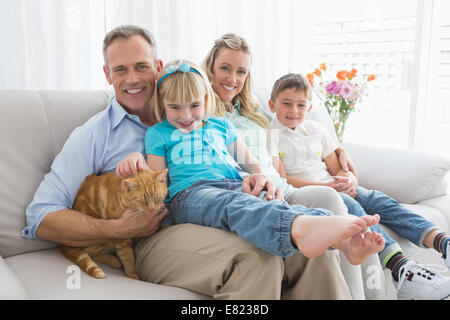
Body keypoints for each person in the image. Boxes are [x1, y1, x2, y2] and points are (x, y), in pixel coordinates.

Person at [23, 25, 352, 300]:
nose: (133, 78)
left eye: (141, 66)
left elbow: (227, 160)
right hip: (158, 232)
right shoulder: (95, 134)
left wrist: (254, 178)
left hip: (222, 202)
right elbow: (41, 217)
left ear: (159, 67)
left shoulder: (203, 116)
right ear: (107, 75)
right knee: (255, 259)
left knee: (313, 254)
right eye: (120, 69)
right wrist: (115, 228)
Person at [119, 58, 384, 265]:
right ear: (162, 105)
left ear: (206, 100)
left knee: (267, 200)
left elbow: (252, 167)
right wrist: (137, 160)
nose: (186, 116)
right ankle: (302, 229)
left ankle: (344, 243)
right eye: (175, 108)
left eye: (194, 106)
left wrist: (259, 178)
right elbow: (158, 183)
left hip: (234, 184)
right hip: (190, 194)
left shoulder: (220, 126)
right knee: (237, 204)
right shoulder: (158, 133)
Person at [201, 33, 385, 299]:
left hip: (284, 187)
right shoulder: (203, 112)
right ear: (211, 68)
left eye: (241, 71)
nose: (232, 79)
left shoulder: (257, 113)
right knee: (335, 204)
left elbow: (292, 136)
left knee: (339, 205)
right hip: (253, 192)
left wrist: (338, 149)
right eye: (225, 69)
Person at [267, 72, 450, 300]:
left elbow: (337, 169)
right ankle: (402, 268)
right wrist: (332, 189)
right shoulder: (270, 134)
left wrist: (348, 180)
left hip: (334, 186)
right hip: (312, 193)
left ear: (309, 106)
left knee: (378, 200)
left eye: (301, 105)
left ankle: (444, 244)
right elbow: (282, 179)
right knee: (357, 212)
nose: (294, 111)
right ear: (272, 105)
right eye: (287, 104)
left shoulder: (316, 130)